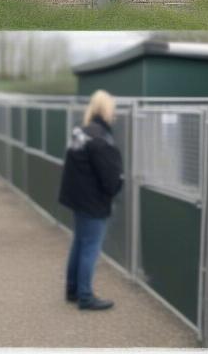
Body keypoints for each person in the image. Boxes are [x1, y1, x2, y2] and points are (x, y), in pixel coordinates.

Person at [58, 89, 123, 311]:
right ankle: (85, 296)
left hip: (77, 199)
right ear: (106, 110)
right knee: (90, 248)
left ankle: (72, 289)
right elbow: (110, 178)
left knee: (79, 243)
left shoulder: (80, 133)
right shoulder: (101, 139)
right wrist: (116, 187)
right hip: (93, 202)